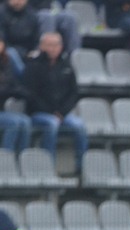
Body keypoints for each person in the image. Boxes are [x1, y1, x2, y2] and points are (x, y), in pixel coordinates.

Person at [23, 32, 88, 172]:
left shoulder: (67, 66)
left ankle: (81, 167)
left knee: (80, 126)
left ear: (61, 47)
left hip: (62, 113)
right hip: (38, 113)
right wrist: (51, 113)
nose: (52, 48)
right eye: (49, 45)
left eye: (55, 45)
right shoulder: (33, 66)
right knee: (51, 124)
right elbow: (30, 95)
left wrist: (62, 112)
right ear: (41, 46)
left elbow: (74, 93)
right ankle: (48, 166)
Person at [0, 36, 29, 154]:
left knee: (25, 121)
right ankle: (5, 160)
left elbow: (10, 84)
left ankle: (20, 158)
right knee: (14, 123)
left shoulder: (6, 62)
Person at [0, 0, 40, 74]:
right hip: (8, 51)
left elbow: (37, 38)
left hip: (29, 52)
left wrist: (35, 50)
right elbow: (2, 41)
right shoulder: (1, 13)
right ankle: (25, 78)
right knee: (11, 53)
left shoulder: (32, 14)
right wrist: (22, 53)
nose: (18, 1)